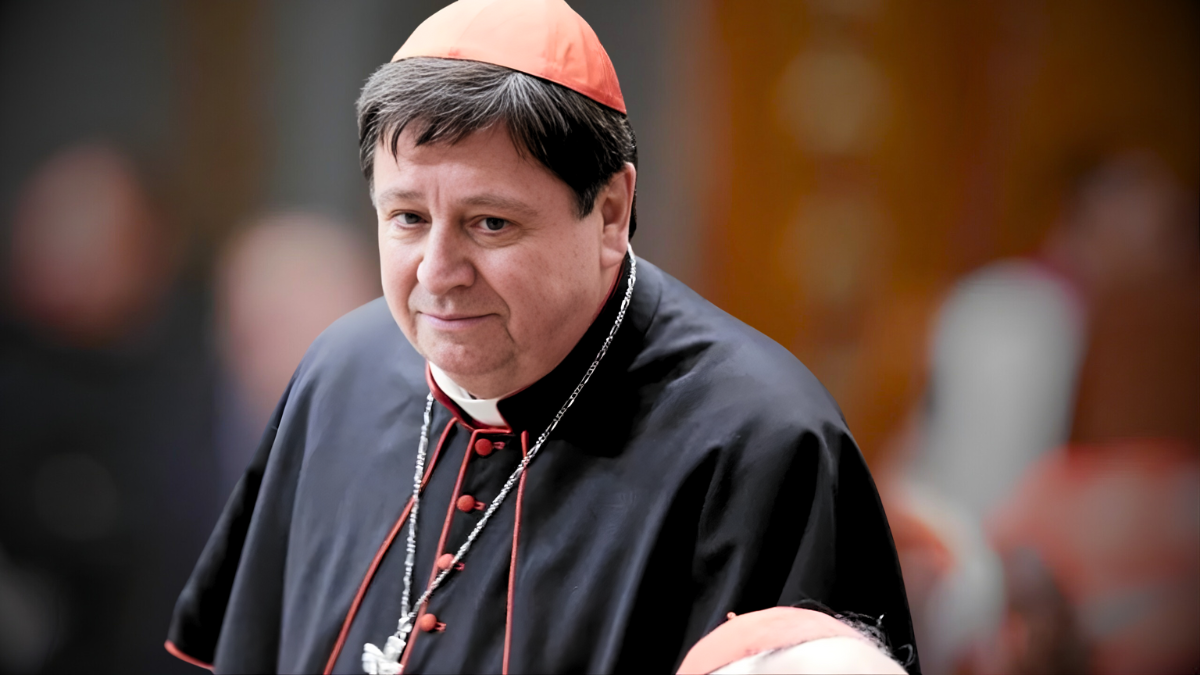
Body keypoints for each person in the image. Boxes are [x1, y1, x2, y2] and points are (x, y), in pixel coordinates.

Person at [165, 1, 917, 673]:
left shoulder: (760, 441)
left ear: (611, 213)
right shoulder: (339, 373)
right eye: (408, 218)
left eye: (490, 223)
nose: (439, 274)